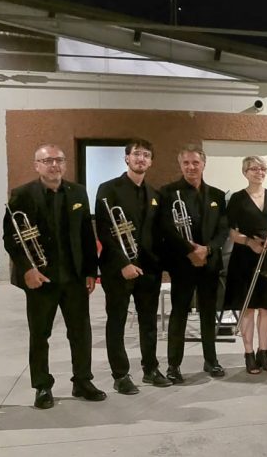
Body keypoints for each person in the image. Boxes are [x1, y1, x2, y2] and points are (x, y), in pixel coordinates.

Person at [4, 143, 104, 409]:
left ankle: (82, 380)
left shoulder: (78, 192)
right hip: (41, 278)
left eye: (58, 160)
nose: (54, 165)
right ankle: (42, 386)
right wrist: (27, 269)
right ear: (36, 165)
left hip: (74, 277)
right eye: (47, 161)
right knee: (40, 335)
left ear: (65, 164)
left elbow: (87, 235)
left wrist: (90, 271)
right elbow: (12, 238)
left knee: (80, 333)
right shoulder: (22, 194)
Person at [95, 139, 171, 394]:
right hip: (118, 269)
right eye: (136, 154)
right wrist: (123, 263)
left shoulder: (155, 194)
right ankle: (120, 375)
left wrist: (160, 265)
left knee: (149, 321)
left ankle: (150, 369)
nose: (141, 159)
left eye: (146, 155)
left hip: (148, 269)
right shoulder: (108, 188)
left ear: (151, 161)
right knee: (116, 321)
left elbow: (159, 234)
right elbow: (105, 229)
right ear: (126, 158)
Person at [158, 147, 229, 383]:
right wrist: (190, 250)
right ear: (180, 165)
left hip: (209, 262)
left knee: (209, 313)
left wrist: (207, 249)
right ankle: (173, 366)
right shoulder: (168, 193)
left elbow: (223, 229)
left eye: (195, 162)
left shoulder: (217, 195)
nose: (191, 167)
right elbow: (167, 227)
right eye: (186, 163)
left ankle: (211, 360)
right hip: (183, 263)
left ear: (203, 164)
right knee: (179, 314)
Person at [225, 156, 267, 374]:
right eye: (254, 169)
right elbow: (230, 231)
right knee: (248, 307)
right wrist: (249, 242)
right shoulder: (237, 199)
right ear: (245, 172)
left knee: (266, 308)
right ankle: (249, 353)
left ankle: (263, 352)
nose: (259, 172)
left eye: (262, 169)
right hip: (245, 255)